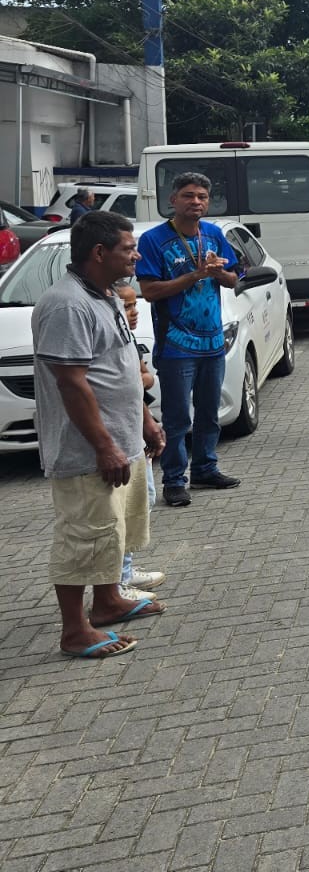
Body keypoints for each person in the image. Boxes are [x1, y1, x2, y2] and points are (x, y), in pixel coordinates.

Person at [36, 211, 167, 658]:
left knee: (114, 531)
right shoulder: (66, 304)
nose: (136, 255)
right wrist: (104, 445)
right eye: (128, 249)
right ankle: (75, 631)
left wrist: (145, 420)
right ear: (98, 252)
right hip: (87, 451)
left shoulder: (106, 294)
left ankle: (108, 602)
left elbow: (121, 366)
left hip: (122, 439)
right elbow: (71, 382)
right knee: (84, 535)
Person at [136, 172, 242, 508]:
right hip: (176, 346)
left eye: (201, 197)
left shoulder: (213, 234)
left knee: (209, 412)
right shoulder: (153, 240)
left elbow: (232, 279)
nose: (195, 202)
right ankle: (173, 480)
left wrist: (217, 273)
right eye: (188, 196)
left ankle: (206, 469)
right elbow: (150, 291)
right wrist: (194, 275)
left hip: (212, 341)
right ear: (173, 200)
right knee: (178, 417)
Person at [114, 281, 164, 600]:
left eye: (134, 306)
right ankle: (116, 579)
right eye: (126, 306)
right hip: (119, 433)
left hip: (136, 428)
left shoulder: (129, 338)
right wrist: (138, 377)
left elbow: (146, 377)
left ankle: (127, 569)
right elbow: (133, 378)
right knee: (122, 507)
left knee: (144, 497)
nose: (132, 313)